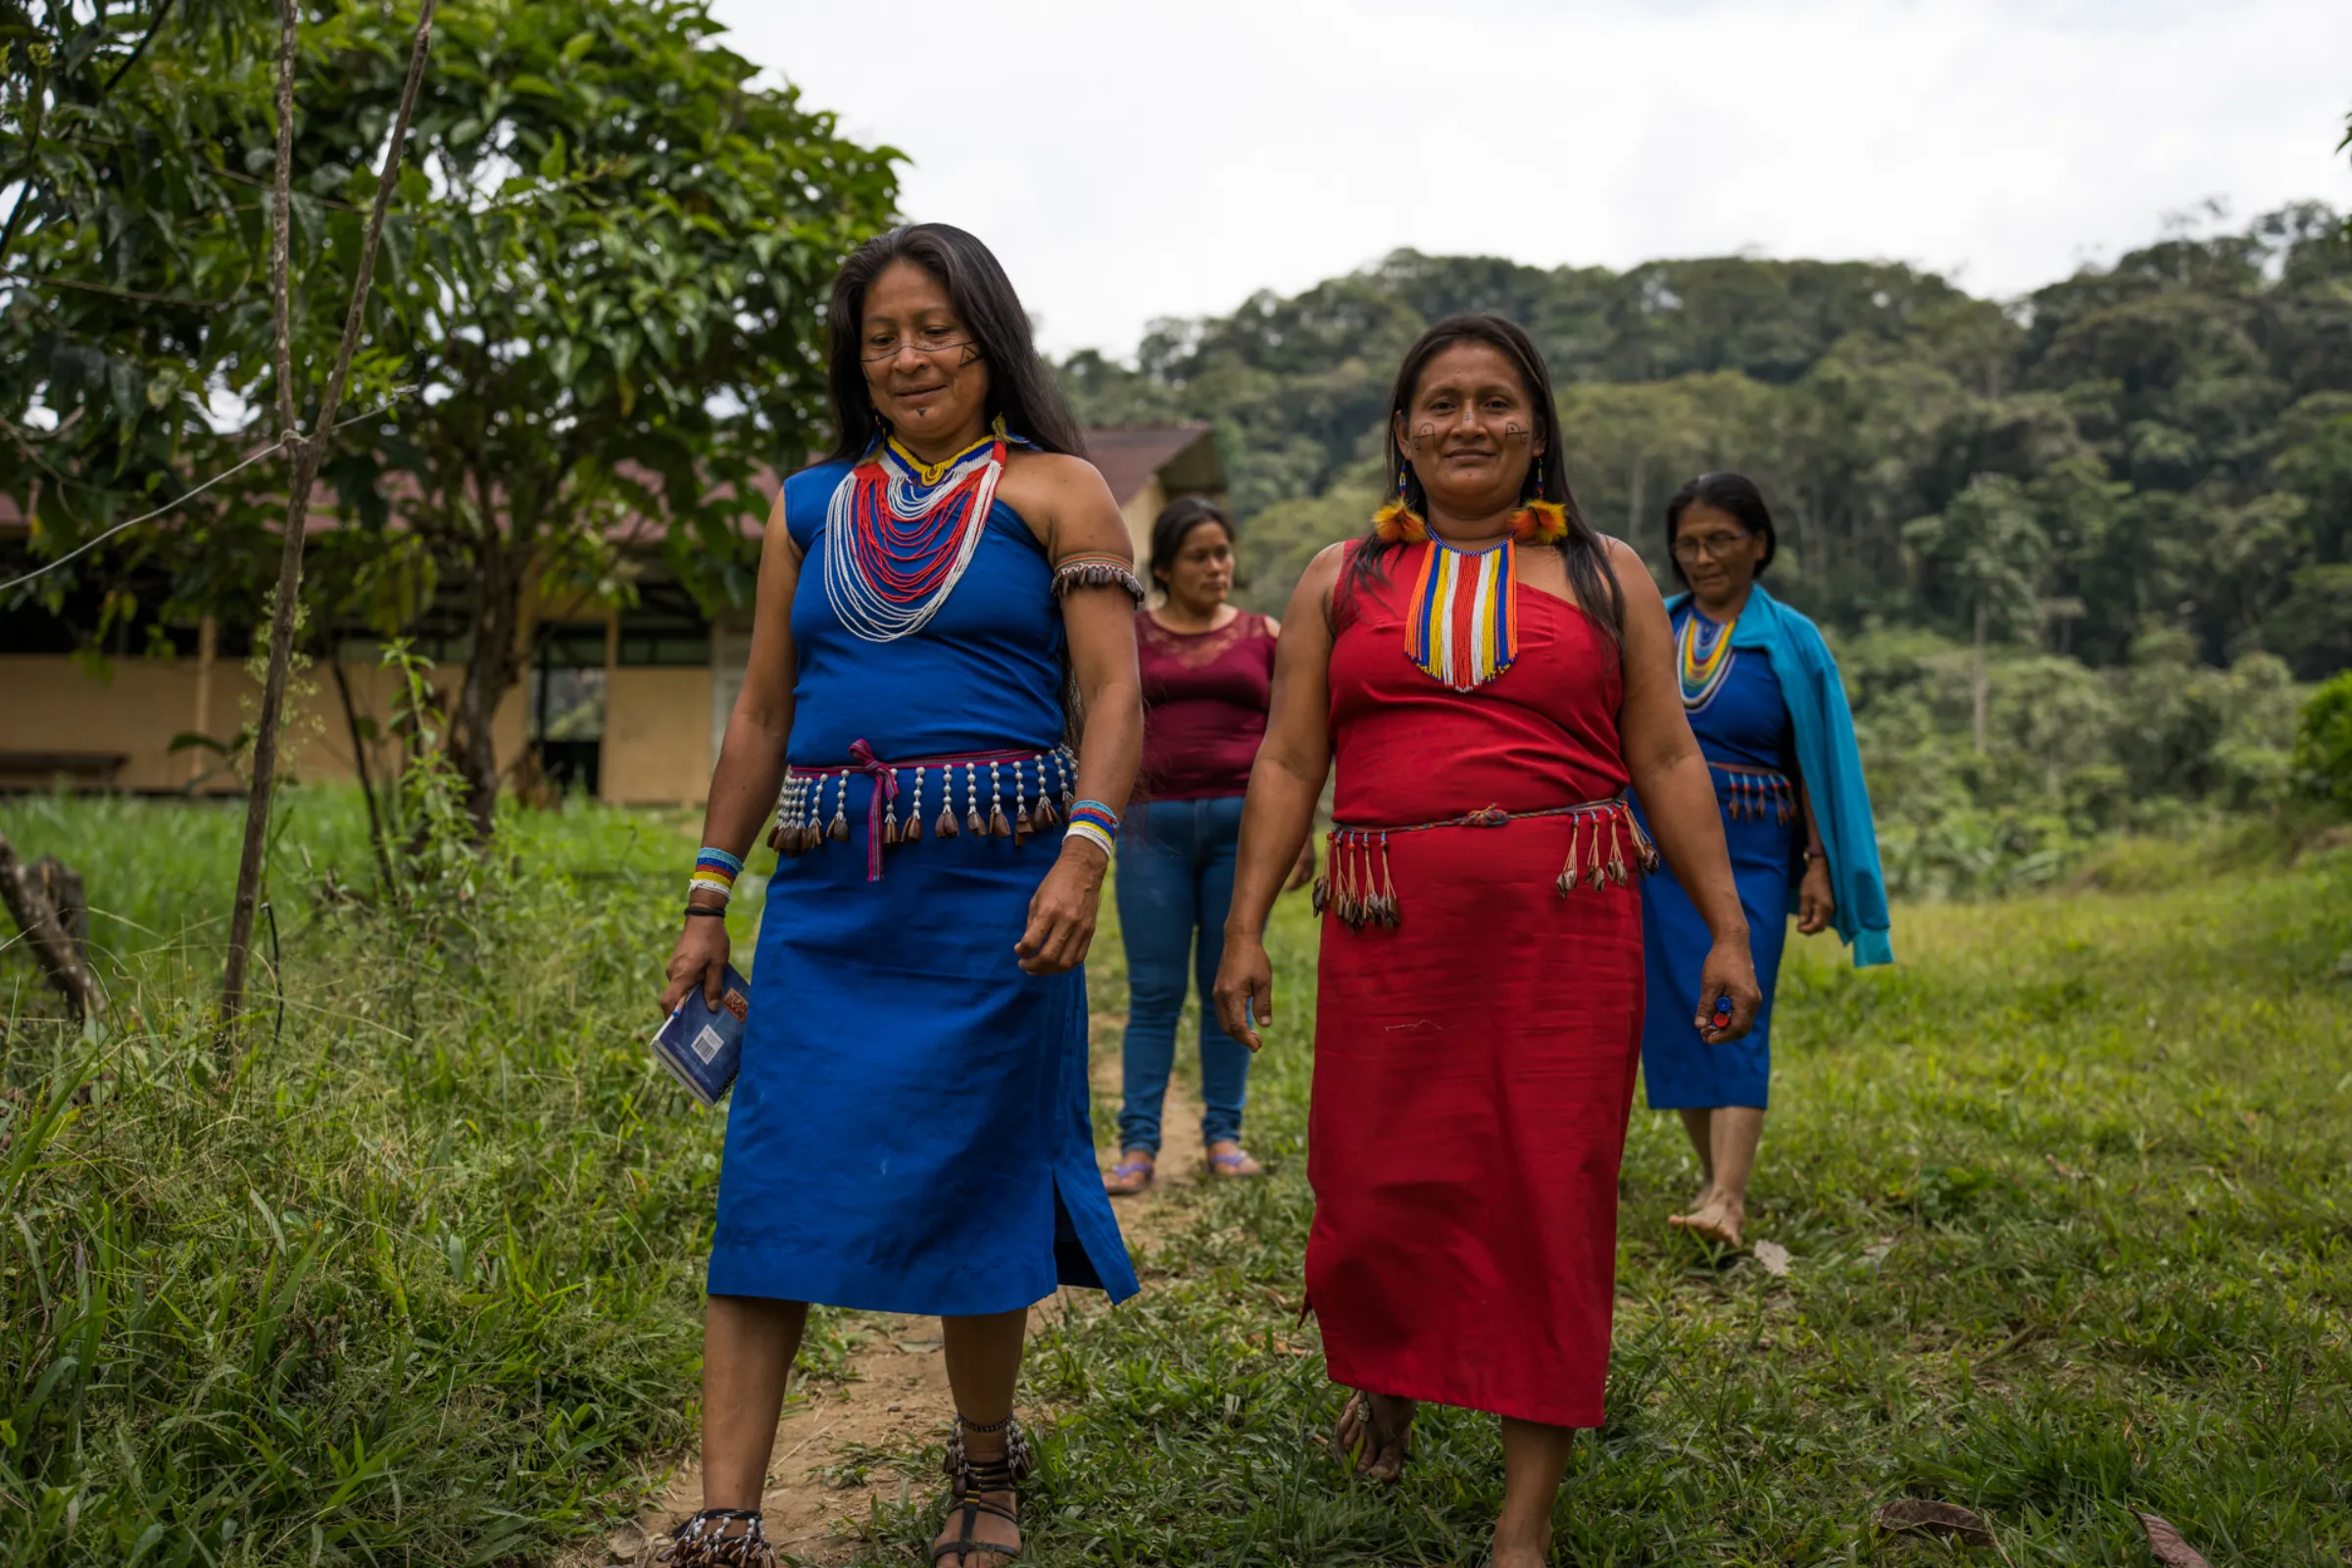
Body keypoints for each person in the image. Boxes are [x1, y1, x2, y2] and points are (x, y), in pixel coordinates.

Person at [1212, 315, 1763, 1568]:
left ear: (1538, 427)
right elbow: (1293, 755)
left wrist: (1727, 927)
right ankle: (1390, 1389)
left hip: (1563, 936)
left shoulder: (1609, 572)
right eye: (1442, 403)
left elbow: (1666, 756)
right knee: (1379, 1179)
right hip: (1388, 931)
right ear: (1402, 431)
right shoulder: (1339, 575)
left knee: (1549, 1191)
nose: (1470, 423)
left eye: (1497, 402)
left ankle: (1526, 1515)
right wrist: (1244, 923)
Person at [657, 222, 1147, 1568]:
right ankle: (726, 1514)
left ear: (990, 341)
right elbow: (763, 712)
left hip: (999, 900)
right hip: (825, 905)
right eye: (883, 337)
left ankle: (985, 1472)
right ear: (854, 363)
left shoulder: (1061, 494)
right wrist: (708, 900)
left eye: (936, 328)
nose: (911, 354)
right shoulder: (808, 507)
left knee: (981, 1187)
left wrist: (1084, 852)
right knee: (772, 1187)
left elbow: (1115, 692)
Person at [1639, 472, 1892, 1248]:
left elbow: (1814, 758)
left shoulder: (1792, 639)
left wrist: (1815, 861)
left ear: (1759, 544)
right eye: (1688, 543)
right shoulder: (1656, 626)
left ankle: (1731, 1199)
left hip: (1753, 851)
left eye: (1720, 540)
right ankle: (1713, 1186)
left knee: (1739, 1005)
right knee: (1678, 1016)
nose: (1703, 557)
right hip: (1660, 860)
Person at [1104, 497, 1292, 1195]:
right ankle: (1138, 1147)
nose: (1217, 567)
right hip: (1152, 830)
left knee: (1229, 985)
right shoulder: (1129, 636)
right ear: (1165, 567)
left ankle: (1223, 1136)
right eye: (1199, 555)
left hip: (1243, 831)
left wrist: (1295, 835)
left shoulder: (1265, 634)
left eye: (1223, 552)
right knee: (1153, 993)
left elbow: (1295, 742)